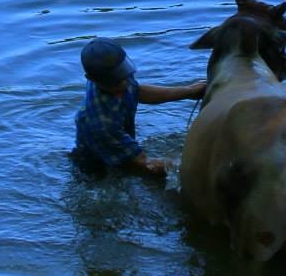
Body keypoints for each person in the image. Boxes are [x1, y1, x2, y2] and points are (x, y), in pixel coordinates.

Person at [73, 38, 206, 178]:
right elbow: (144, 164)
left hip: (116, 137)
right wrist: (193, 167)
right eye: (115, 82)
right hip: (98, 166)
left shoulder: (112, 75)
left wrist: (189, 91)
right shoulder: (102, 124)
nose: (125, 84)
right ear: (90, 78)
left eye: (124, 75)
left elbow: (137, 92)